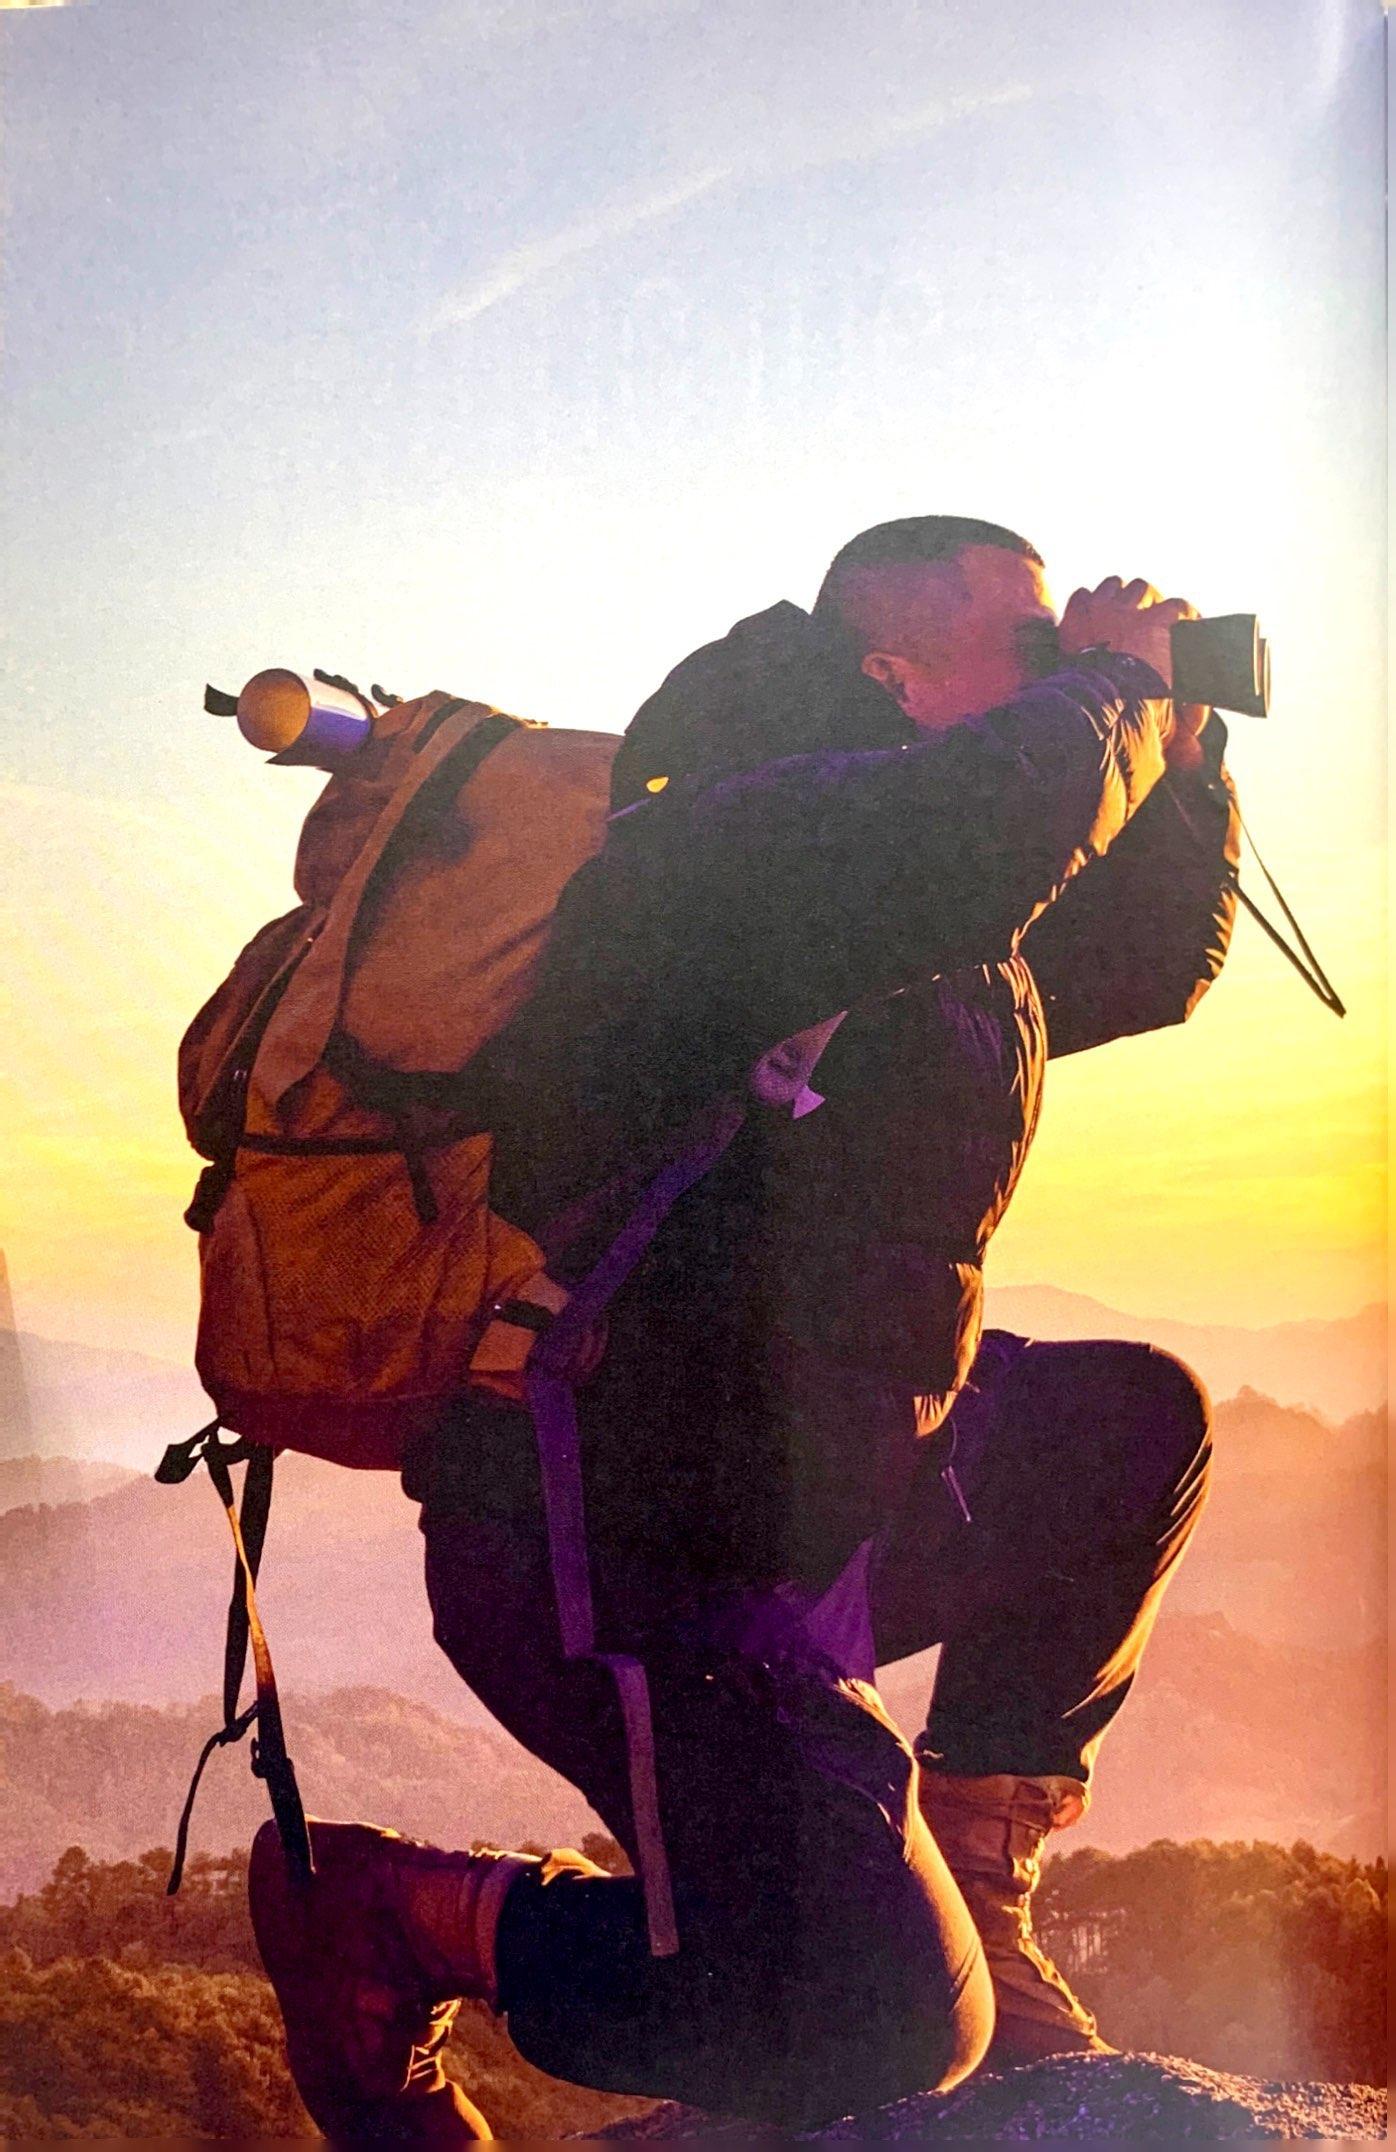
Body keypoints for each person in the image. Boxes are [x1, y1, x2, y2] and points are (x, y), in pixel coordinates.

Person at [249, 516, 1239, 2140]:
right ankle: (403, 1919)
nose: (1061, 669)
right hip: (628, 1548)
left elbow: (1142, 961)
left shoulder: (911, 896)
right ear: (892, 668)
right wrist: (1116, 695)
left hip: (828, 1492)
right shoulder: (726, 837)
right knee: (879, 2027)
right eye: (1031, 644)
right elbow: (972, 836)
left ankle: (977, 1876)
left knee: (1136, 1420)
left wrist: (1180, 755)